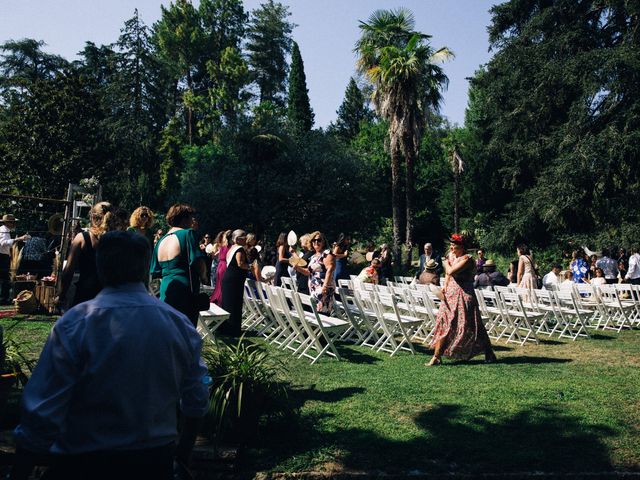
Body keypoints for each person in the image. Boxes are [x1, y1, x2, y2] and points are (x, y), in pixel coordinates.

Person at [12, 231, 209, 480]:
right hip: (153, 462)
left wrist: (19, 471)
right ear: (144, 269)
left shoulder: (76, 323)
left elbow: (41, 410)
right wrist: (183, 453)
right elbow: (197, 397)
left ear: (101, 267)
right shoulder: (178, 325)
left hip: (83, 463)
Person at [427, 233, 496, 366]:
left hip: (464, 295)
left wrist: (445, 262)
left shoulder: (467, 259)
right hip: (450, 294)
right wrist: (445, 286)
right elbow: (448, 275)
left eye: (455, 245)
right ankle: (436, 356)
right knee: (444, 322)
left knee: (473, 326)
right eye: (451, 245)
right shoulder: (452, 256)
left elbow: (451, 271)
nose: (452, 247)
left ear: (462, 247)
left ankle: (489, 352)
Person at [150, 204, 207, 326]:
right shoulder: (188, 234)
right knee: (186, 331)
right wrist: (204, 277)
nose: (193, 221)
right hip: (185, 290)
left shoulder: (161, 240)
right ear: (184, 219)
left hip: (166, 288)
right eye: (191, 218)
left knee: (169, 328)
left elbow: (156, 270)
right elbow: (198, 261)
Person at [58, 202, 118, 308]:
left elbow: (68, 271)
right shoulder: (119, 240)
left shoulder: (81, 238)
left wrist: (61, 295)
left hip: (85, 296)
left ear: (93, 217)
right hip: (110, 297)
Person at [220, 230, 250, 337]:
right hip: (234, 280)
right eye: (244, 236)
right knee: (233, 304)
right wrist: (251, 267)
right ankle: (232, 330)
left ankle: (227, 328)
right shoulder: (239, 249)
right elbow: (240, 263)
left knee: (229, 304)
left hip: (230, 279)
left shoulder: (232, 248)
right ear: (237, 239)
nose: (246, 238)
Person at [0, 214, 30, 304]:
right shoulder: (3, 230)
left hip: (3, 255)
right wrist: (18, 239)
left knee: (4, 278)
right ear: (8, 223)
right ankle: (3, 299)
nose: (14, 224)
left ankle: (3, 298)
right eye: (13, 222)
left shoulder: (5, 230)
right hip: (1, 256)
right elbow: (3, 243)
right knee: (3, 278)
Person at [306, 231, 336, 314]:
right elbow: (308, 272)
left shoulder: (326, 254)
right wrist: (296, 267)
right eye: (313, 240)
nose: (316, 242)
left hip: (323, 287)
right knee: (316, 312)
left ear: (323, 242)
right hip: (314, 287)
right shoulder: (314, 256)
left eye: (319, 240)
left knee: (323, 312)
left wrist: (325, 287)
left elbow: (330, 269)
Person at [210, 230, 231, 306]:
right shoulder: (228, 247)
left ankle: (217, 299)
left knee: (219, 284)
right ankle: (221, 301)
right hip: (223, 265)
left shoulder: (222, 246)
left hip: (220, 265)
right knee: (221, 284)